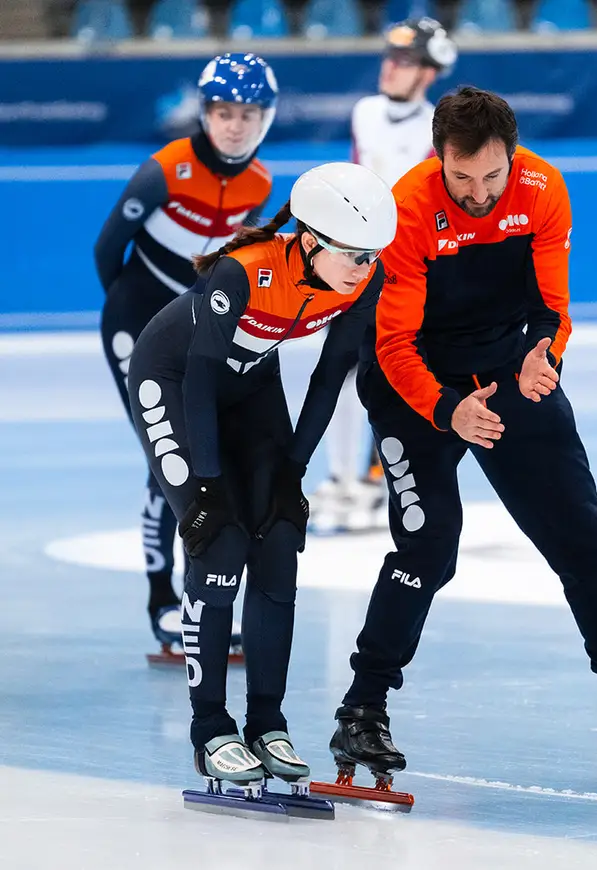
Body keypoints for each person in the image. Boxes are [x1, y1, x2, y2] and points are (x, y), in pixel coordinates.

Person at [328, 87, 597, 787]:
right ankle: (362, 708)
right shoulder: (407, 207)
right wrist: (446, 411)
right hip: (416, 383)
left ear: (512, 154)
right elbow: (394, 342)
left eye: (492, 176)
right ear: (439, 159)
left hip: (505, 369)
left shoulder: (542, 188)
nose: (478, 193)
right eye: (462, 178)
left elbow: (553, 309)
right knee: (430, 548)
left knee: (584, 541)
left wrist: (544, 355)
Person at [125, 163, 396, 783]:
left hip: (251, 386)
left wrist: (291, 474)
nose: (364, 267)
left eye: (373, 254)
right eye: (353, 254)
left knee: (277, 541)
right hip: (173, 380)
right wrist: (211, 487)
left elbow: (331, 379)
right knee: (216, 540)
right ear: (309, 240)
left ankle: (267, 721)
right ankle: (210, 728)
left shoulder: (363, 281)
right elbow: (197, 379)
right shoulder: (243, 270)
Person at [95, 53, 277, 653]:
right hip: (134, 323)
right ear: (204, 113)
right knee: (164, 459)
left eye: (246, 114)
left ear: (265, 119)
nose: (233, 125)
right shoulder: (164, 170)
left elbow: (230, 269)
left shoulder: (260, 185)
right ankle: (161, 601)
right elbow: (107, 250)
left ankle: (199, 594)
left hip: (187, 333)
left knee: (203, 452)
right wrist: (131, 316)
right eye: (222, 113)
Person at [310, 17, 458, 535]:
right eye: (390, 58)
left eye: (406, 62)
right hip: (360, 262)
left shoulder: (442, 126)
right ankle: (339, 480)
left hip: (412, 267)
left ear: (429, 73)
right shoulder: (365, 113)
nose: (391, 68)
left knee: (397, 372)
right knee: (339, 368)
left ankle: (380, 478)